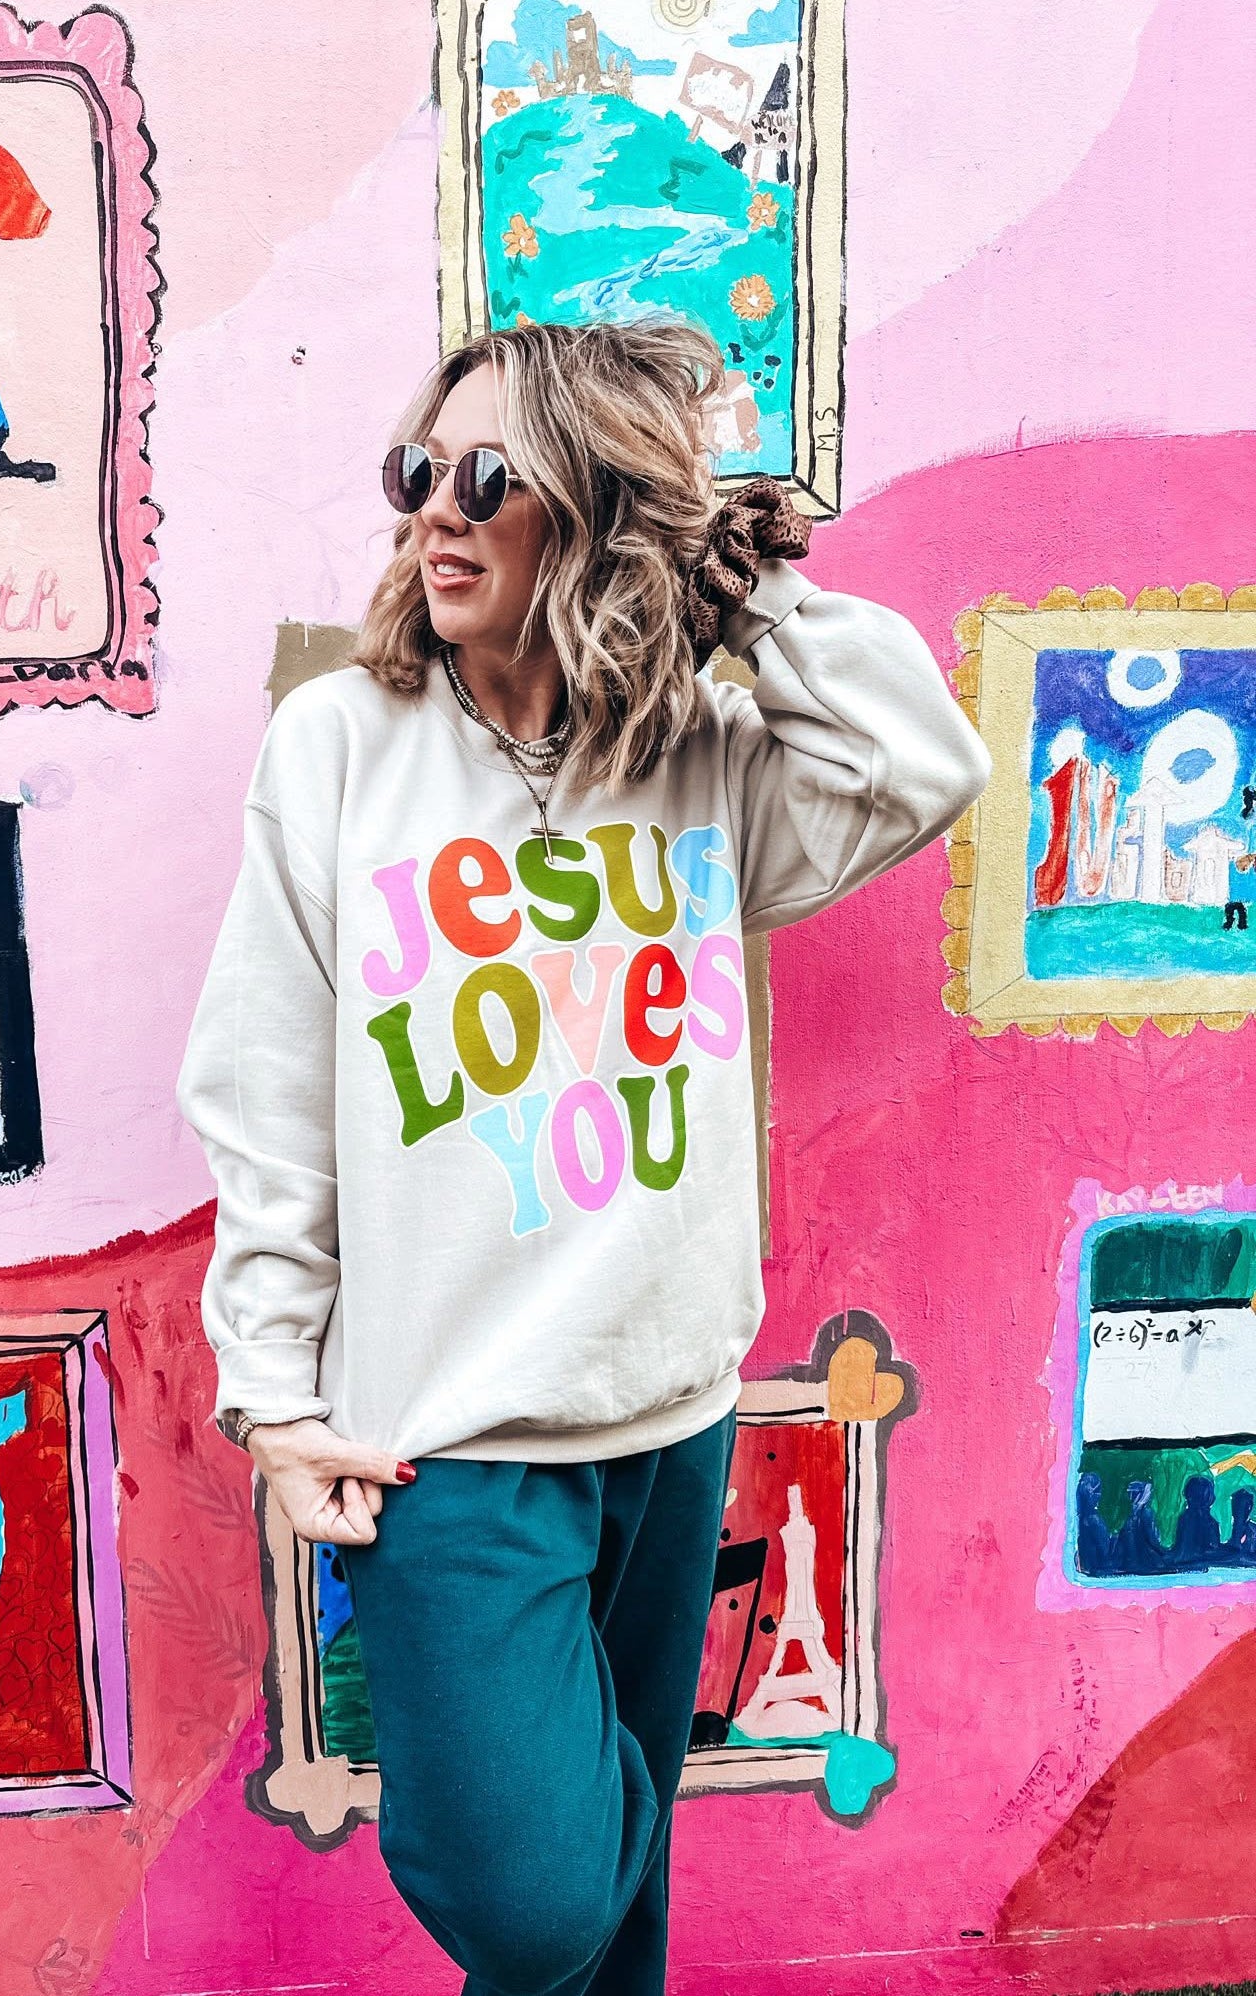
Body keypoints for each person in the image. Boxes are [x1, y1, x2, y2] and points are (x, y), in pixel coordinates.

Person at [177, 318, 991, 1996]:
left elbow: (923, 763)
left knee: (603, 1947)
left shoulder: (698, 756)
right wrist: (270, 1393)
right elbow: (267, 1087)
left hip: (670, 1411)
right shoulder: (339, 745)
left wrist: (737, 588)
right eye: (418, 472)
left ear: (602, 507)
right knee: (538, 1902)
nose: (434, 509)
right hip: (449, 1440)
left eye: (488, 476)